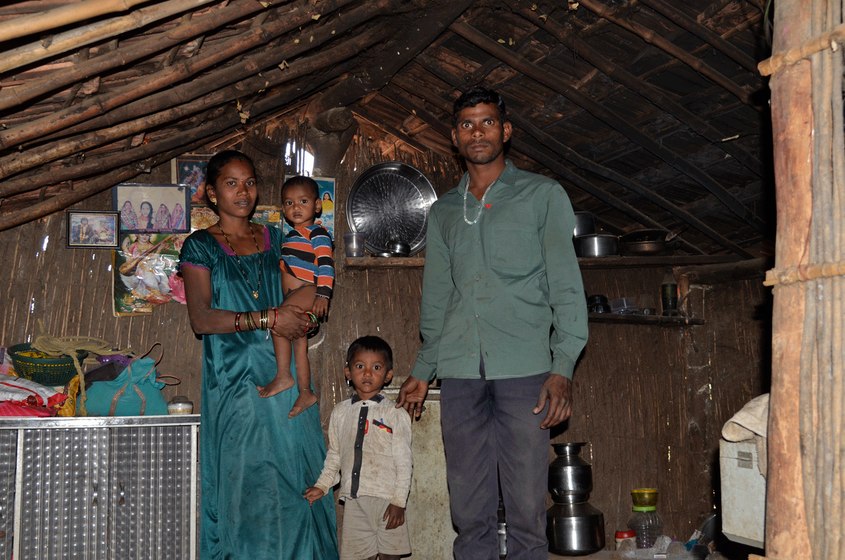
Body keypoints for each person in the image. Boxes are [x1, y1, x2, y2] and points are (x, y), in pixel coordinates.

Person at [396, 86, 589, 560]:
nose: (477, 132)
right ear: (454, 137)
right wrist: (423, 370)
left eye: (486, 122)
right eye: (466, 124)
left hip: (525, 369)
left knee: (526, 509)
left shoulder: (542, 195)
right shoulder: (442, 212)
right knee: (468, 510)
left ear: (505, 131)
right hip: (460, 371)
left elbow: (566, 287)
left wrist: (562, 367)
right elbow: (438, 298)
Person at [179, 150, 339, 560]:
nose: (243, 191)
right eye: (231, 183)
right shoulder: (200, 246)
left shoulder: (278, 239)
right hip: (237, 386)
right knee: (247, 486)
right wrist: (270, 318)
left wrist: (305, 319)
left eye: (249, 181)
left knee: (297, 481)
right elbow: (201, 319)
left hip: (285, 379)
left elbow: (300, 295)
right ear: (212, 193)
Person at [304, 336, 412, 560]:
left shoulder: (395, 413)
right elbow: (335, 455)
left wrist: (399, 502)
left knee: (390, 555)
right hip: (354, 502)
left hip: (387, 500)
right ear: (348, 372)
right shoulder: (341, 412)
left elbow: (404, 461)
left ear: (388, 375)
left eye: (377, 367)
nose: (367, 373)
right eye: (360, 366)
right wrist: (322, 486)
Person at [257, 176, 334, 419]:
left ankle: (283, 375)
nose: (296, 207)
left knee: (278, 321)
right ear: (283, 209)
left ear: (317, 205)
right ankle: (305, 391)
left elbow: (326, 264)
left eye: (303, 201)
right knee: (299, 344)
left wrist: (323, 294)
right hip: (297, 295)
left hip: (310, 290)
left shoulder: (318, 232)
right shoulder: (290, 235)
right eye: (289, 203)